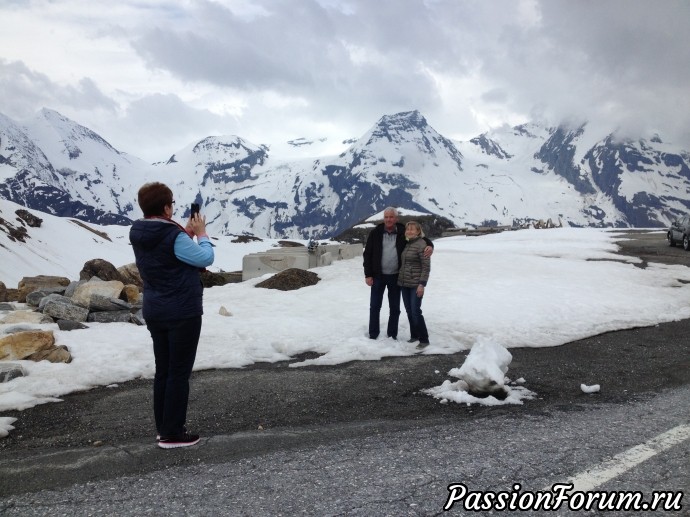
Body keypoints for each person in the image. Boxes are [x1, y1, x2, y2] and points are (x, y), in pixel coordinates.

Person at [129, 182, 214, 449]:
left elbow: (167, 253)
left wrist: (185, 233)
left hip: (156, 309)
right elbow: (204, 258)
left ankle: (164, 428)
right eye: (172, 204)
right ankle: (173, 434)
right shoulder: (173, 235)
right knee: (179, 373)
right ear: (167, 207)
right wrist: (201, 234)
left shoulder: (139, 231)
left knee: (164, 371)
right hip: (182, 312)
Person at [363, 207, 432, 340]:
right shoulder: (375, 233)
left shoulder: (402, 232)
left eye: (391, 217)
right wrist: (368, 274)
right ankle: (373, 334)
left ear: (396, 219)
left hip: (396, 277)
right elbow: (367, 255)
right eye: (386, 217)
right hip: (378, 276)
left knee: (395, 308)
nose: (388, 219)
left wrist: (430, 246)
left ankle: (392, 334)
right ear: (384, 218)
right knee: (375, 306)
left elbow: (420, 238)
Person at [398, 221, 431, 347]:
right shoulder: (408, 244)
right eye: (408, 229)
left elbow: (426, 267)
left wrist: (422, 284)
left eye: (412, 229)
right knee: (409, 311)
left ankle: (424, 339)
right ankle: (414, 335)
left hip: (416, 284)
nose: (409, 231)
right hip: (404, 283)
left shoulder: (422, 245)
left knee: (416, 311)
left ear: (418, 231)